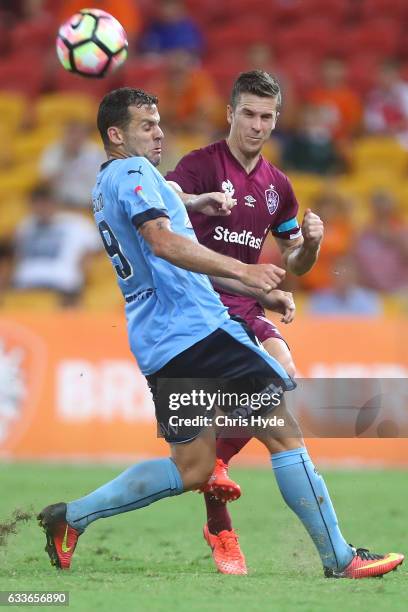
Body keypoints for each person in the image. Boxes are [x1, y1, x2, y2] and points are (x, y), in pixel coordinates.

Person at [37, 88, 403, 580]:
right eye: (147, 125)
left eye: (160, 122)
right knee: (282, 424)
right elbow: (163, 242)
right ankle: (339, 559)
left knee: (191, 468)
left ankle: (70, 518)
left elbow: (164, 230)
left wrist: (192, 204)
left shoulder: (106, 183)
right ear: (116, 135)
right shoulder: (136, 171)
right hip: (198, 328)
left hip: (158, 341)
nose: (159, 131)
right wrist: (247, 274)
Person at [164, 70, 382, 575]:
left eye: (267, 116)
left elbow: (295, 264)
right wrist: (194, 201)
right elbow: (163, 206)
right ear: (230, 113)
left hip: (245, 306)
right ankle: (221, 527)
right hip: (196, 309)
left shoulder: (277, 187)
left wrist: (312, 244)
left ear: (276, 120)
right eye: (249, 114)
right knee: (232, 423)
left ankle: (218, 485)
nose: (257, 125)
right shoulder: (199, 166)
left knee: (282, 383)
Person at [11, 184, 101, 306]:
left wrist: (82, 275)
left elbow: (93, 252)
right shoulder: (25, 225)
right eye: (37, 203)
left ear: (54, 203)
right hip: (26, 285)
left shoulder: (77, 223)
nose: (41, 207)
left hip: (62, 286)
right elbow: (19, 256)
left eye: (45, 202)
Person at [39, 120, 105, 210]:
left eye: (79, 133)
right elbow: (45, 182)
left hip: (88, 205)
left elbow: (103, 182)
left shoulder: (96, 153)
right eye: (71, 133)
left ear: (85, 135)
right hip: (60, 204)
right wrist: (65, 159)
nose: (75, 137)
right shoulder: (54, 151)